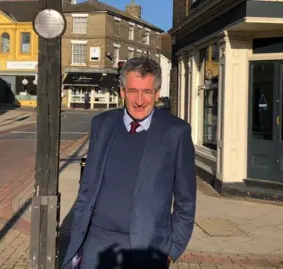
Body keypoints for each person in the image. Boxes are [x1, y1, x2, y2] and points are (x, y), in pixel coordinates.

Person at [62, 57, 196, 269]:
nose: (140, 100)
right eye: (133, 91)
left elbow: (185, 201)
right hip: (96, 245)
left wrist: (171, 250)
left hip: (146, 249)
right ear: (122, 91)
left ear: (157, 93)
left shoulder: (176, 132)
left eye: (147, 92)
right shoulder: (102, 124)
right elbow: (87, 186)